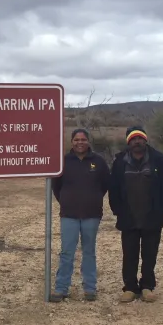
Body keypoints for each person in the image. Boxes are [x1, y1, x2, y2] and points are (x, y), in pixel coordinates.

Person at [109, 126, 163, 303]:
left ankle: (147, 286)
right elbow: (113, 187)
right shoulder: (120, 161)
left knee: (150, 254)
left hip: (152, 216)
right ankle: (130, 288)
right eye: (133, 139)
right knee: (129, 254)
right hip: (128, 216)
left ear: (145, 140)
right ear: (128, 142)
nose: (137, 142)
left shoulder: (158, 159)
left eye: (140, 138)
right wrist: (117, 210)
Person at [50, 128, 110, 302]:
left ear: (88, 142)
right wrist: (67, 201)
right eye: (76, 140)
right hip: (69, 214)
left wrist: (94, 198)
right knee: (67, 252)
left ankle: (90, 288)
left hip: (92, 215)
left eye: (83, 139)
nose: (80, 143)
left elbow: (105, 184)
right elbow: (56, 187)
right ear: (71, 142)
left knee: (89, 251)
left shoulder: (98, 162)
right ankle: (61, 288)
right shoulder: (63, 161)